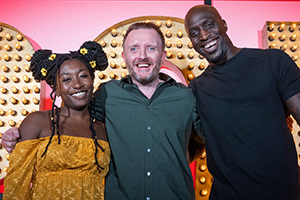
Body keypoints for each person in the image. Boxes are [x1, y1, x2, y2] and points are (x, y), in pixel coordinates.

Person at [2, 22, 204, 200]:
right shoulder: (107, 94)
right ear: (124, 56)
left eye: (151, 48)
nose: (142, 56)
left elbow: (205, 138)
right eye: (134, 49)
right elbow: (74, 121)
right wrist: (16, 137)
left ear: (163, 54)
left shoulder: (185, 97)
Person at [185, 5, 300, 200]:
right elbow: (192, 147)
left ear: (224, 25)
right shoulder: (196, 89)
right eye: (194, 33)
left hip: (283, 193)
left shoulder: (272, 62)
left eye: (209, 25)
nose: (203, 36)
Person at [3, 41, 110, 200]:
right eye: (66, 79)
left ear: (92, 80)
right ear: (56, 88)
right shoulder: (36, 122)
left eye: (83, 76)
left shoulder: (103, 129)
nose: (77, 84)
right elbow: (17, 184)